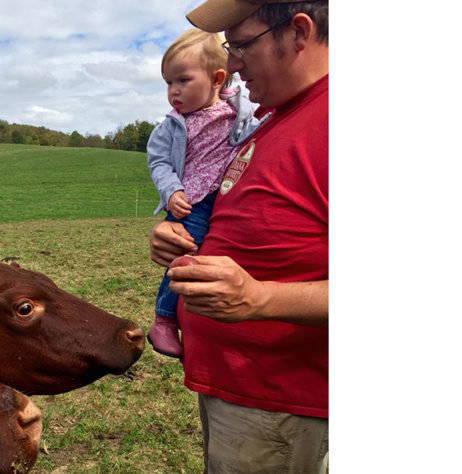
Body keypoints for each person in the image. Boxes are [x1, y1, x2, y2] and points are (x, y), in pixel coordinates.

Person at [148, 0, 329, 472]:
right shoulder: (270, 123)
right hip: (235, 387)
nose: (231, 64)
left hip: (282, 401)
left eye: (242, 44)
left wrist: (260, 299)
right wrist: (179, 239)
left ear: (299, 32)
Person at [146, 28, 260, 359]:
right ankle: (164, 319)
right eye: (168, 83)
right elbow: (159, 164)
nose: (173, 91)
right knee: (183, 258)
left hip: (227, 196)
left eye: (182, 80)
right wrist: (171, 192)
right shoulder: (170, 126)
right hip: (192, 203)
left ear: (216, 78)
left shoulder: (240, 111)